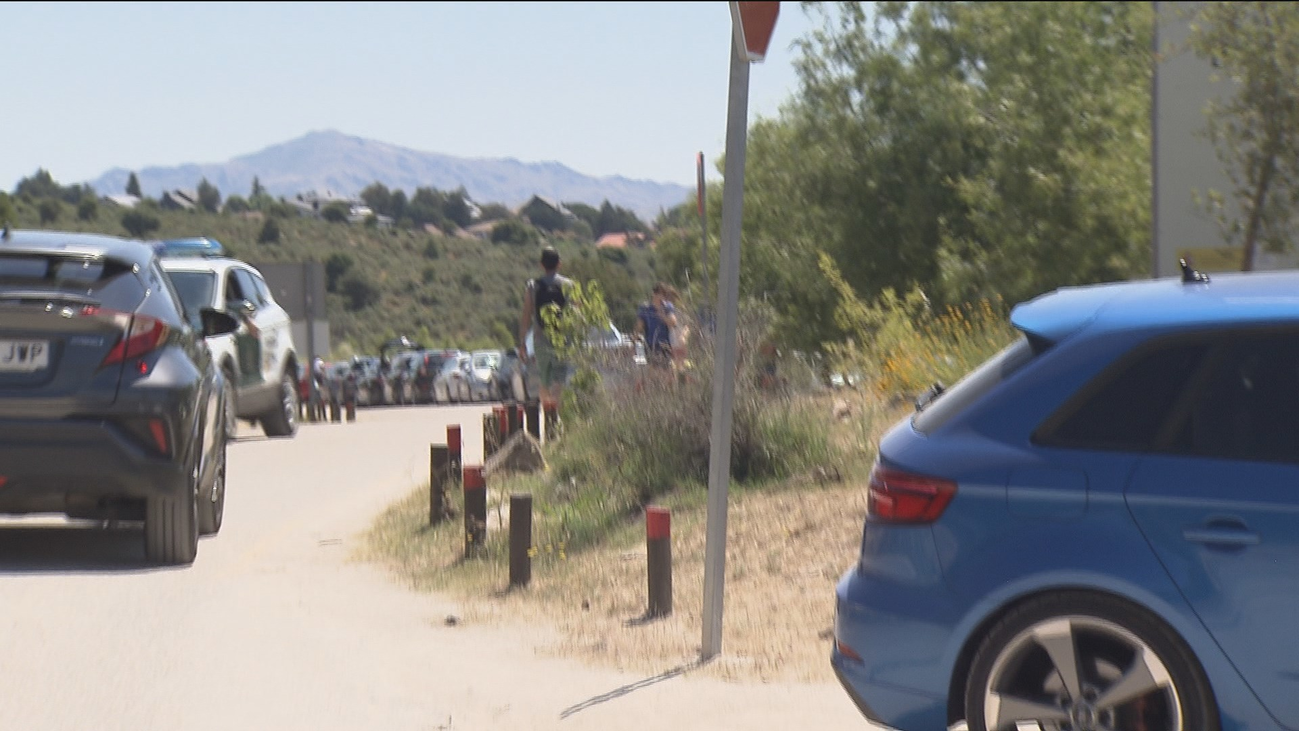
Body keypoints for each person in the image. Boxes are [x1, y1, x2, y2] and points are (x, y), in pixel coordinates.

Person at [518, 246, 573, 429]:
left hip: (540, 339)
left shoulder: (532, 286)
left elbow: (526, 316)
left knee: (544, 377)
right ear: (559, 264)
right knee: (559, 377)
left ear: (541, 265)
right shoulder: (568, 285)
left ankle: (548, 414)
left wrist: (522, 343)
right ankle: (554, 416)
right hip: (562, 339)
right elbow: (575, 313)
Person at [635, 282, 680, 374]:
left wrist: (662, 315)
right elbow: (639, 326)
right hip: (650, 344)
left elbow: (673, 323)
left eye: (664, 295)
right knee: (653, 371)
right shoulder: (645, 308)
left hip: (664, 344)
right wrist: (634, 339)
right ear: (654, 294)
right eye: (659, 294)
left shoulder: (667, 307)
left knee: (665, 371)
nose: (661, 297)